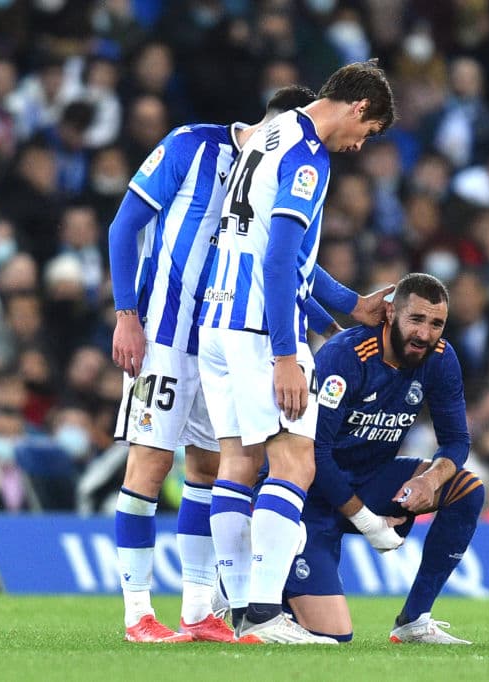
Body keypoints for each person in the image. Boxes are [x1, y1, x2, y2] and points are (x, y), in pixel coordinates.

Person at [108, 85, 321, 644]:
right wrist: (126, 312)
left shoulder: (265, 172)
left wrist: (348, 308)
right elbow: (122, 226)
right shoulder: (191, 144)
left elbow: (290, 262)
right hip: (163, 332)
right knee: (149, 469)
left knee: (207, 471)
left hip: (221, 340)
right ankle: (136, 616)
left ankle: (200, 609)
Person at [196, 60, 397, 644]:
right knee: (295, 462)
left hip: (219, 316)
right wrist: (288, 352)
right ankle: (263, 614)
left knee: (238, 462)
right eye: (370, 130)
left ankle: (238, 609)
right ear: (358, 107)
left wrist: (350, 304)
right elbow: (280, 257)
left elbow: (281, 250)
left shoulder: (274, 130)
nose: (362, 144)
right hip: (260, 328)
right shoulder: (310, 156)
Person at [282, 273, 481, 644]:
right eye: (416, 320)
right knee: (334, 635)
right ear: (390, 314)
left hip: (371, 481)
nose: (425, 333)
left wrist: (430, 479)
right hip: (310, 496)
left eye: (436, 323)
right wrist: (370, 524)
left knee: (466, 488)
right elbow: (315, 453)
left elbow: (456, 441)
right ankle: (253, 582)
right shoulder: (346, 356)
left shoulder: (440, 358)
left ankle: (413, 621)